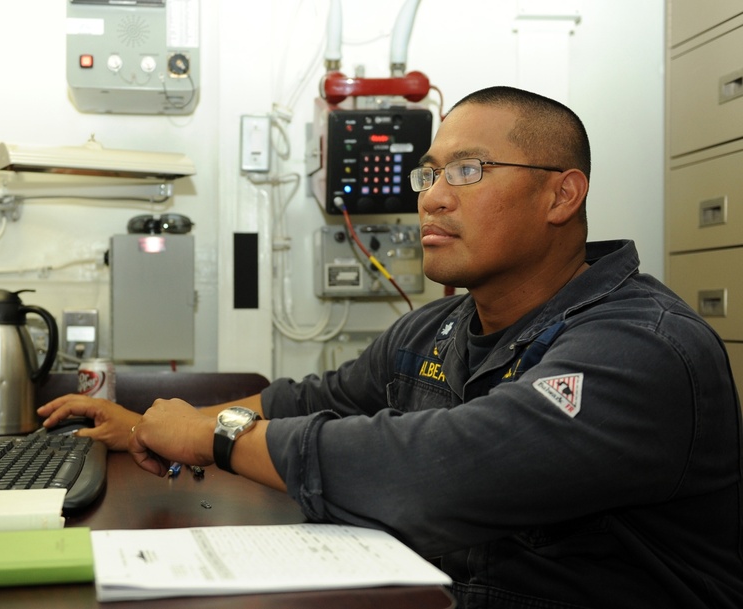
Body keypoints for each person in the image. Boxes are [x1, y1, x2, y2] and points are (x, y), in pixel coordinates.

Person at [39, 86, 743, 608]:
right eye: (428, 174)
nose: (432, 198)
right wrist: (150, 428)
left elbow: (438, 470)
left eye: (467, 170)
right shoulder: (433, 330)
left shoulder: (641, 350)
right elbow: (313, 400)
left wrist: (211, 436)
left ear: (562, 196)